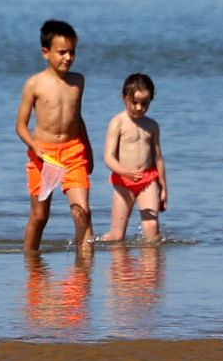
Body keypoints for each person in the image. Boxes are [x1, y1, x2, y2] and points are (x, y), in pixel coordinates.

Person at [16, 19, 94, 252]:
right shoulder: (34, 84)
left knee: (82, 212)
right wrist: (34, 146)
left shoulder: (77, 82)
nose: (68, 58)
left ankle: (82, 274)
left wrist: (88, 149)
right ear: (45, 53)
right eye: (61, 52)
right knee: (40, 216)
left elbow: (77, 118)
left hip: (73, 153)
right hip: (43, 156)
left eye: (72, 52)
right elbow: (20, 125)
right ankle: (31, 264)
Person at [98, 73, 167, 243]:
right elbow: (108, 157)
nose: (139, 107)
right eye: (134, 102)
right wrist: (126, 172)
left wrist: (163, 187)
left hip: (147, 180)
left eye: (144, 103)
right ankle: (91, 244)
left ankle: (151, 267)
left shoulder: (151, 126)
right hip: (123, 182)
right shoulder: (118, 122)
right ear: (124, 98)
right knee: (116, 236)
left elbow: (157, 157)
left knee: (151, 228)